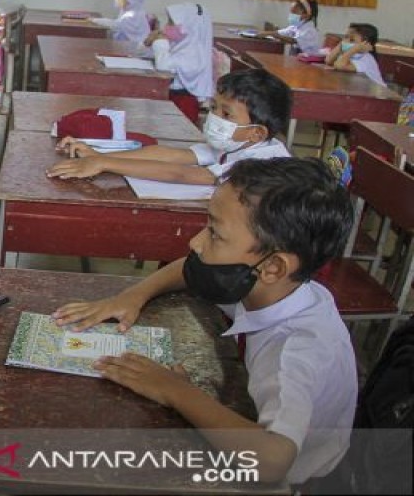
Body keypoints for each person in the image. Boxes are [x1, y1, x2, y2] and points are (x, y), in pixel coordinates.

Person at [53, 157, 356, 486]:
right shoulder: (269, 284)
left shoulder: (297, 350)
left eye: (214, 233)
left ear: (273, 267)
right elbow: (188, 266)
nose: (195, 242)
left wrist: (174, 390)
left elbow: (272, 460)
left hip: (300, 481)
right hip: (246, 410)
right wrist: (133, 296)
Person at [48, 69, 292, 186]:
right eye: (214, 107)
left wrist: (104, 163)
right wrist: (100, 155)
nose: (214, 116)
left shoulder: (263, 159)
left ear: (257, 132)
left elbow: (184, 173)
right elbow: (172, 154)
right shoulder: (240, 140)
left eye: (226, 113)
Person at [147, 2, 214, 123]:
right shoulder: (180, 45)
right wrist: (149, 43)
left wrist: (160, 42)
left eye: (171, 23)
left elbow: (164, 66)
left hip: (184, 104)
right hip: (173, 98)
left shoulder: (195, 53)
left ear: (188, 27)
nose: (167, 26)